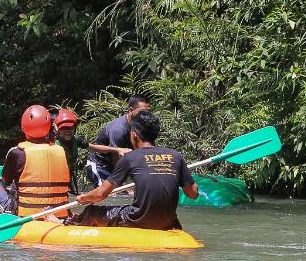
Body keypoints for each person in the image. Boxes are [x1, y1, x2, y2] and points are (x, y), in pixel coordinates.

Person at [68, 110, 199, 229]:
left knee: (92, 211)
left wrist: (84, 198)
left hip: (137, 219)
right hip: (168, 222)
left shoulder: (130, 157)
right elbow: (193, 194)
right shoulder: (176, 156)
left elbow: (100, 195)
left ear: (134, 135)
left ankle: (68, 224)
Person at [0, 105, 70, 219]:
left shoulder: (17, 152)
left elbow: (5, 181)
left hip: (24, 215)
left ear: (24, 127)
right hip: (59, 215)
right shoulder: (61, 151)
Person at [85, 95, 151, 188]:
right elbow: (116, 158)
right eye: (142, 112)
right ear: (131, 111)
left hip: (119, 163)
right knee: (110, 195)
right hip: (100, 164)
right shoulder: (119, 130)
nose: (145, 115)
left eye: (148, 112)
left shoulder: (144, 126)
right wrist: (123, 185)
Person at [51, 106, 83, 195]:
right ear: (57, 129)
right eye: (64, 128)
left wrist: (117, 149)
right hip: (55, 179)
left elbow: (93, 147)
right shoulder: (52, 145)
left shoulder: (76, 141)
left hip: (70, 176)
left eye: (70, 128)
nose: (68, 131)